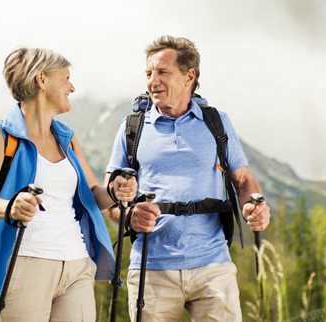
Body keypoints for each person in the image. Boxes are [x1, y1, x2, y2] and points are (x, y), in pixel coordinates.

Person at [105, 36, 271, 322]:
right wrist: (130, 216)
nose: (152, 81)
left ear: (189, 76)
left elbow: (243, 180)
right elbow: (109, 198)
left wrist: (254, 206)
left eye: (162, 72)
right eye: (148, 73)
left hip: (213, 266)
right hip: (151, 267)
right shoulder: (132, 128)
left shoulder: (216, 122)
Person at [0, 47, 137, 322]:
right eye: (66, 78)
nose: (72, 87)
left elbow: (94, 195)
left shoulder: (66, 139)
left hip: (76, 265)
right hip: (23, 263)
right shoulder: (0, 135)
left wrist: (115, 191)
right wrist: (10, 207)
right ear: (41, 80)